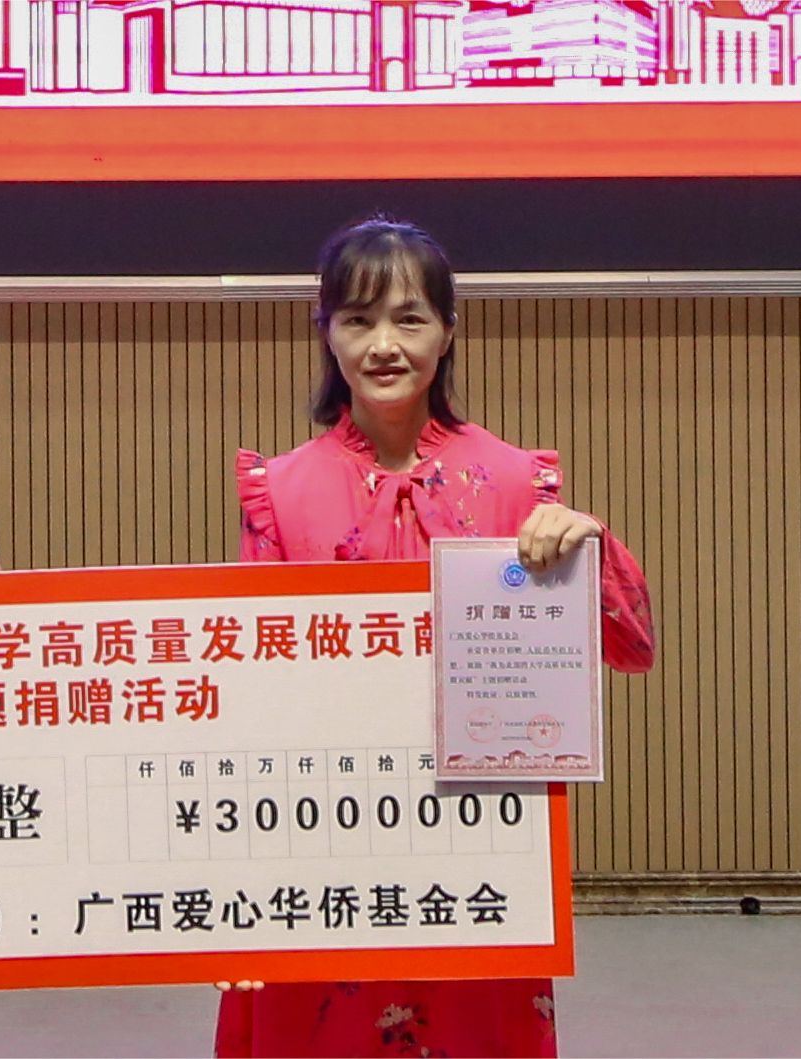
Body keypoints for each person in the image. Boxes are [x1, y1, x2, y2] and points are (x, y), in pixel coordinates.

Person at [214, 216, 655, 1058]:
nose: (384, 344)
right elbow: (254, 700)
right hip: (322, 849)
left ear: (449, 331)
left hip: (476, 847)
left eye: (409, 318)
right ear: (325, 330)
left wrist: (586, 546)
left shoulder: (520, 482)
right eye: (358, 319)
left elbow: (632, 644)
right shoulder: (281, 489)